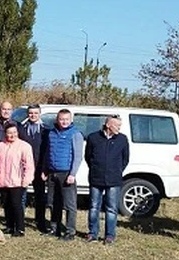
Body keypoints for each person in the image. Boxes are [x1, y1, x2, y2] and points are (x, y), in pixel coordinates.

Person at [84, 115, 130, 244]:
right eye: (117, 125)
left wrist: (117, 170)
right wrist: (95, 168)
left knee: (111, 208)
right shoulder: (93, 138)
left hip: (114, 180)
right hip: (96, 178)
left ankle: (110, 235)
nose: (119, 128)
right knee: (94, 207)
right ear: (108, 125)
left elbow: (125, 159)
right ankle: (92, 233)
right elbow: (88, 157)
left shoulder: (122, 139)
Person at [44, 108, 84, 241]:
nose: (64, 122)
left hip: (66, 173)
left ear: (71, 120)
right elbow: (47, 153)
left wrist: (72, 174)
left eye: (66, 119)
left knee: (69, 205)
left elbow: (78, 156)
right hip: (52, 173)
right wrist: (45, 169)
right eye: (61, 119)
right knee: (53, 202)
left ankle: (70, 232)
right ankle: (54, 228)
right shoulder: (51, 133)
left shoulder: (75, 134)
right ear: (57, 119)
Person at [0, 125, 35, 236]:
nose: (12, 135)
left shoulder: (24, 146)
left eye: (14, 132)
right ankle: (10, 226)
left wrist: (26, 180)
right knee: (7, 205)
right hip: (2, 181)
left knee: (16, 204)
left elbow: (29, 165)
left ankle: (20, 228)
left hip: (17, 181)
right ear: (5, 133)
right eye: (9, 132)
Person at [17, 104, 51, 233]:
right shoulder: (21, 129)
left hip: (39, 168)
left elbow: (48, 151)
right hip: (23, 167)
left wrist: (45, 169)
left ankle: (40, 221)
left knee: (40, 196)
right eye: (31, 113)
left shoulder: (46, 130)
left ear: (40, 114)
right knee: (22, 195)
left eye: (36, 113)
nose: (33, 115)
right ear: (27, 114)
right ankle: (19, 221)